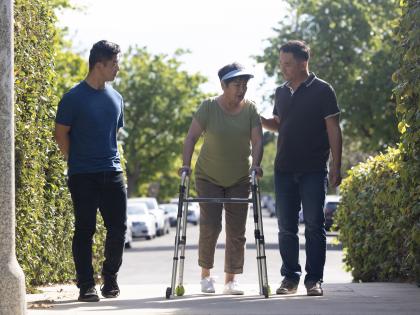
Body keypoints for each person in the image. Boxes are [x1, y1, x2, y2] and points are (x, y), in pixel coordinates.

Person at [261, 40, 342, 296]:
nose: (282, 68)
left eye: (287, 64)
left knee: (315, 225)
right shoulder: (281, 91)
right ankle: (290, 279)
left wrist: (336, 167)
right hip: (284, 168)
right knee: (286, 227)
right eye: (281, 63)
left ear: (302, 62)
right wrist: (261, 121)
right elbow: (279, 123)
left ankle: (314, 280)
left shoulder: (323, 90)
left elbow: (334, 130)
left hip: (313, 169)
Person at [180, 63, 263, 295]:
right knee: (211, 226)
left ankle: (231, 280)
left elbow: (257, 141)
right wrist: (185, 165)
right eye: (237, 84)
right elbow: (191, 138)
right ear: (223, 85)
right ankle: (206, 275)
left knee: (236, 230)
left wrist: (256, 165)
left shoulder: (250, 110)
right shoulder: (208, 107)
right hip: (208, 176)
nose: (241, 89)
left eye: (244, 85)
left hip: (239, 177)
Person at [54, 40, 127, 302]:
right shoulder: (73, 98)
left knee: (118, 229)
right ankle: (86, 285)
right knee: (85, 229)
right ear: (99, 65)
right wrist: (74, 161)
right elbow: (60, 134)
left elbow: (113, 133)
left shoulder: (117, 99)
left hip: (113, 171)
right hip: (83, 174)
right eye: (114, 64)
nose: (118, 68)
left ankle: (110, 278)